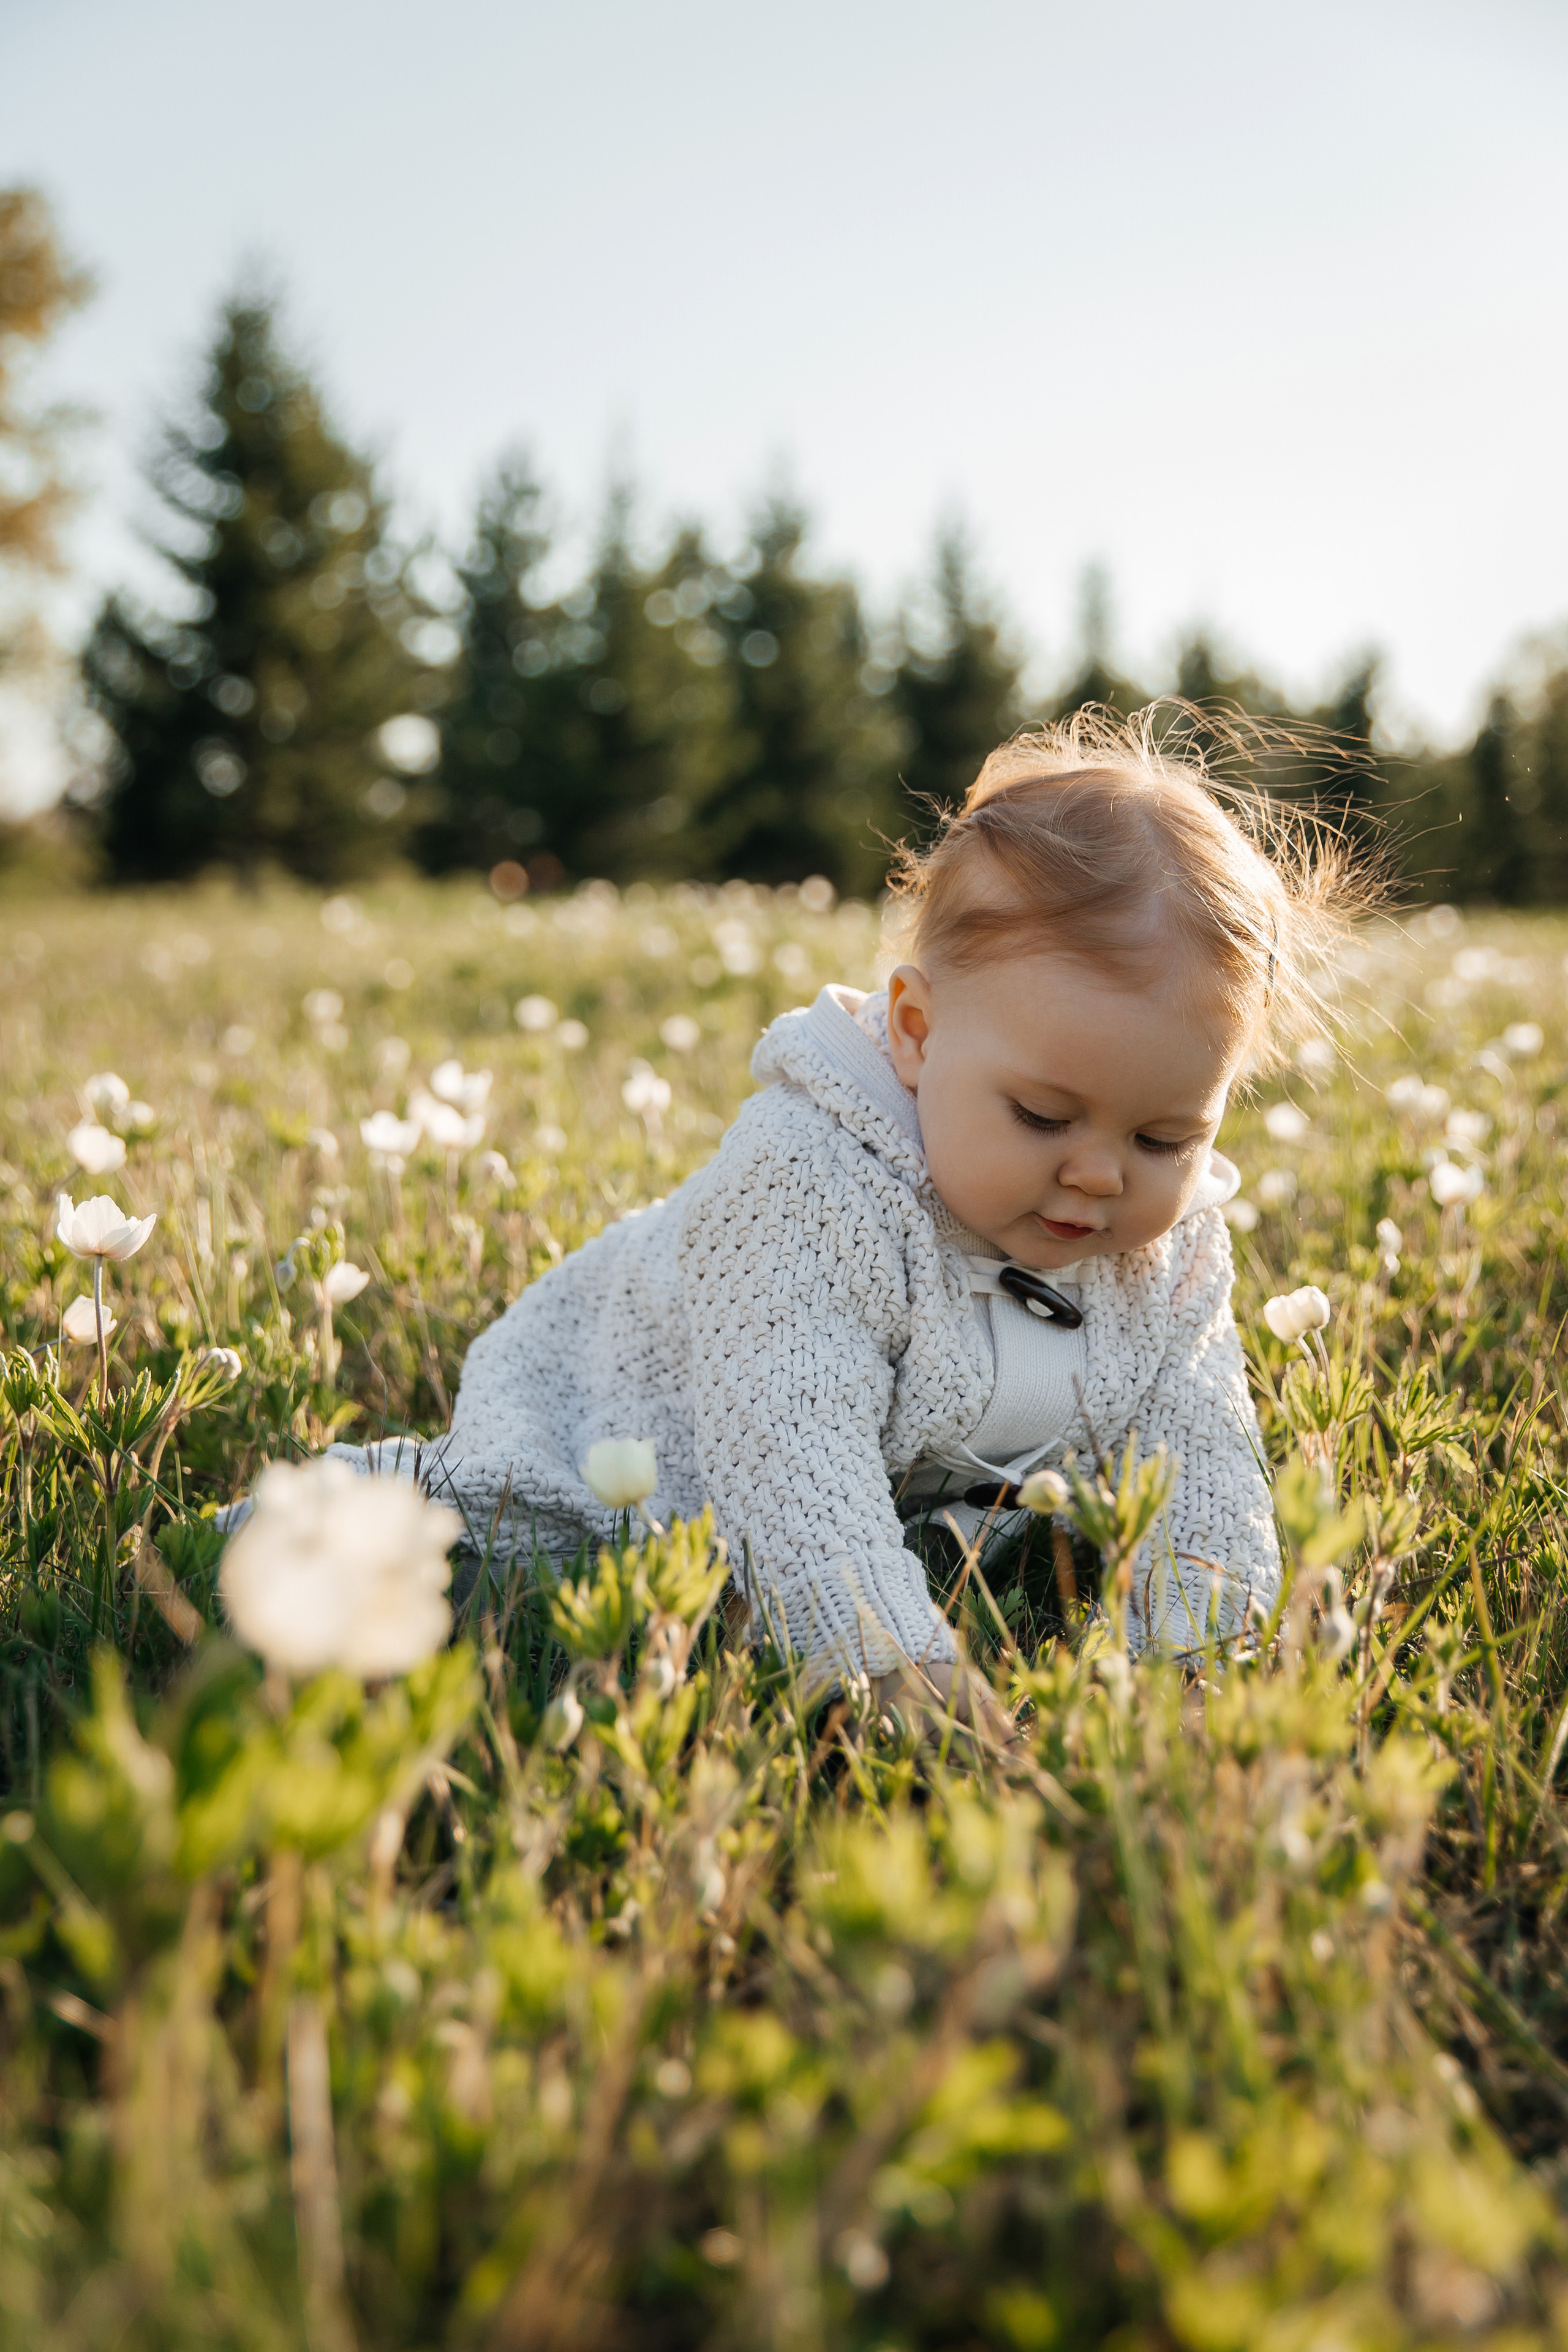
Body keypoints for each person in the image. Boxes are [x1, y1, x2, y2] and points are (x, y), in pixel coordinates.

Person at [334, 711, 1365, 1721]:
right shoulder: (808, 1179)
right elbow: (789, 1447)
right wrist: (879, 1656)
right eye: (1043, 1115)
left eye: (1163, 1142)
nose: (1099, 1176)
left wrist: (1201, 1655)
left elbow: (1204, 1457)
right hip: (598, 1464)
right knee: (459, 1594)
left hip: (918, 1516)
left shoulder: (1172, 1253)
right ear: (916, 1033)